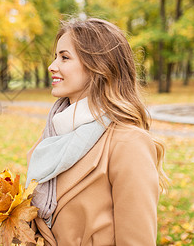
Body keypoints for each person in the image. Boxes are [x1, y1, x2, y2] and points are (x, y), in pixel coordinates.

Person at [25, 17, 168, 246]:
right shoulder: (52, 136)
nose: (52, 66)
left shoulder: (128, 143)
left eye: (64, 57)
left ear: (98, 67)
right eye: (55, 56)